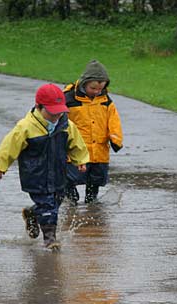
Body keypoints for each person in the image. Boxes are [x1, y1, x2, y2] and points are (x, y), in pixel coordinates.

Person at [0, 83, 89, 250]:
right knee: (48, 207)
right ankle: (50, 240)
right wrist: (1, 164)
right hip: (35, 175)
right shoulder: (26, 126)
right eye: (51, 113)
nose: (55, 117)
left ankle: (32, 214)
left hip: (58, 174)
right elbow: (10, 145)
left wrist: (81, 160)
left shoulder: (66, 125)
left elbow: (76, 144)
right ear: (38, 107)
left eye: (59, 113)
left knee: (55, 202)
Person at [63, 59, 123, 204]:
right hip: (76, 150)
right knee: (71, 177)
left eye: (100, 88)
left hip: (99, 150)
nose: (97, 92)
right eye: (93, 88)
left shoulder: (106, 100)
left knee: (96, 179)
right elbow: (61, 122)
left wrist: (116, 139)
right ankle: (70, 197)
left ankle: (92, 202)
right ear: (84, 83)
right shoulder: (69, 99)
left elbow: (113, 121)